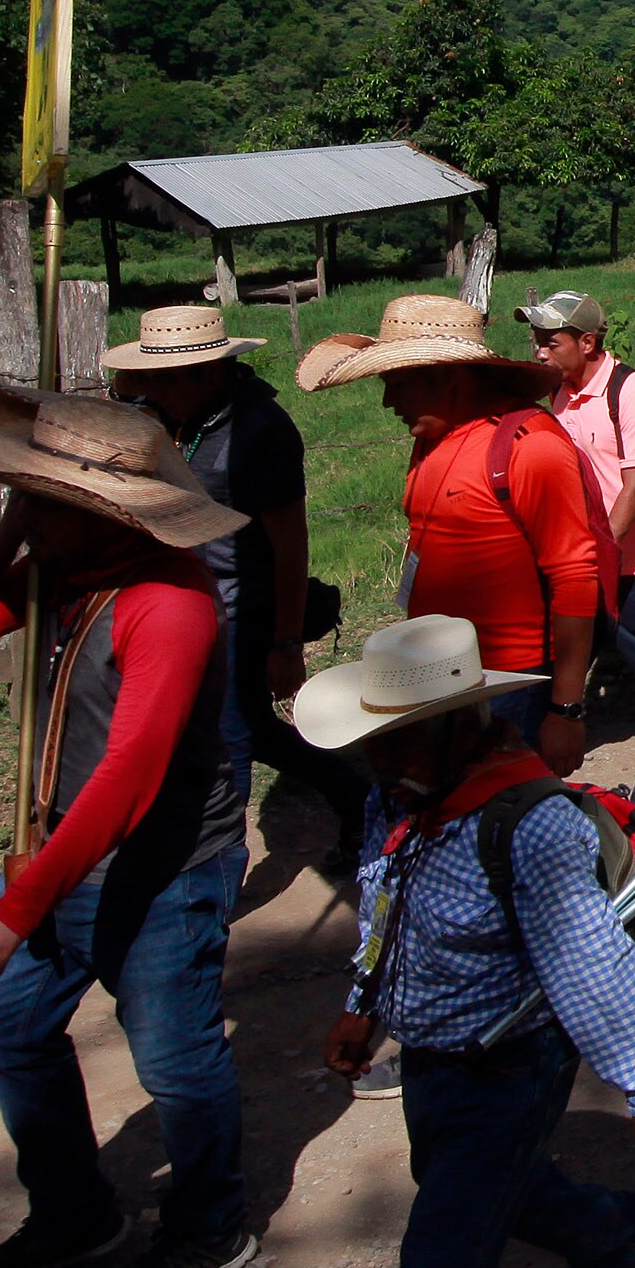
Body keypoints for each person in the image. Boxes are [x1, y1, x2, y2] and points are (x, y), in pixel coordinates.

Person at [303, 617, 635, 1268]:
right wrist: (363, 1001)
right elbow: (384, 898)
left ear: (455, 725)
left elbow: (592, 967)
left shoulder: (529, 821)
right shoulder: (400, 794)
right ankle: (625, 1232)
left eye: (397, 738)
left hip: (513, 1060)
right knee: (473, 1190)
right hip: (433, 1053)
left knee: (442, 1258)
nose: (379, 757)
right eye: (375, 740)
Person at [0, 385, 257, 1268]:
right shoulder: (59, 573)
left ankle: (211, 1222)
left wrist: (16, 906)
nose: (39, 521)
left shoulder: (168, 603)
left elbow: (129, 773)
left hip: (163, 864)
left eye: (48, 502)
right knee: (7, 1029)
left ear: (109, 517)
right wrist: (5, 534)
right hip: (59, 850)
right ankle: (72, 1211)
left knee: (174, 1060)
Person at [108, 306, 361, 880]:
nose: (153, 388)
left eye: (166, 376)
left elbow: (290, 545)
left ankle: (216, 876)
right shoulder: (174, 413)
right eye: (151, 375)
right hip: (182, 612)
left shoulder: (258, 432)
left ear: (211, 372)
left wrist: (286, 641)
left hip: (239, 617)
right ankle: (353, 795)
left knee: (229, 738)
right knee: (240, 727)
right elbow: (124, 394)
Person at [301, 298, 603, 772]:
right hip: (435, 681)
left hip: (509, 686)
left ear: (445, 376)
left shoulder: (531, 447)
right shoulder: (432, 437)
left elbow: (574, 575)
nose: (387, 402)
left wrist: (565, 709)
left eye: (396, 384)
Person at [517, 290, 635, 716]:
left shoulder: (628, 391)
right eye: (537, 341)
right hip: (581, 561)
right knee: (561, 655)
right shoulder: (559, 393)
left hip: (632, 564)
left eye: (551, 343)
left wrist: (597, 551)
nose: (540, 352)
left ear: (587, 342)